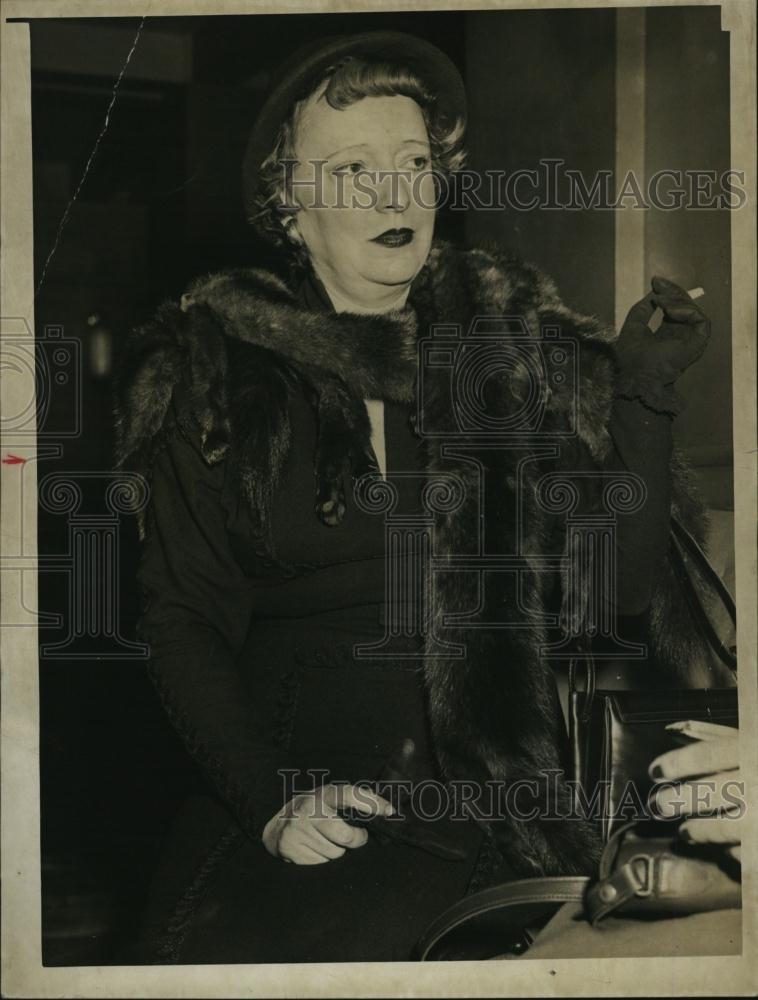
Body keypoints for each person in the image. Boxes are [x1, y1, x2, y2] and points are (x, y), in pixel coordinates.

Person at [114, 31, 736, 963]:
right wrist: (274, 798)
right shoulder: (218, 375)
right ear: (290, 204)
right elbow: (181, 617)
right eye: (352, 169)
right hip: (319, 809)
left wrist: (641, 399)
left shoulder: (506, 356)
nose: (395, 195)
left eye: (413, 164)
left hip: (509, 810)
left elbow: (619, 598)